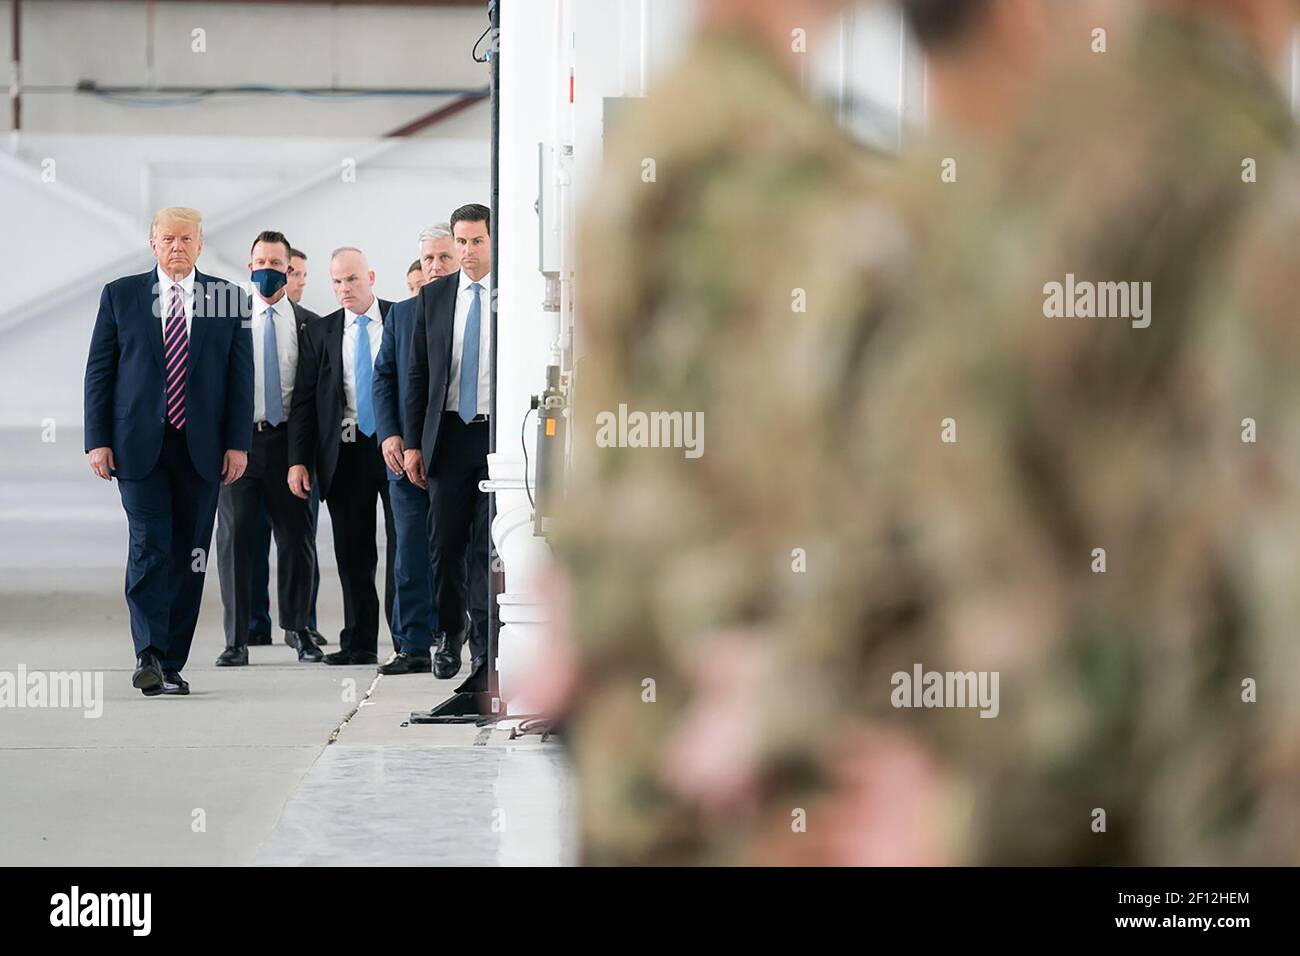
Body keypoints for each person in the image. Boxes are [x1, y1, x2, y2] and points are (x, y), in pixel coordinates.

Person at [542, 0, 889, 864]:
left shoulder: (664, 125)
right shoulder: (763, 151)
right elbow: (765, 459)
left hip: (654, 681)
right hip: (731, 707)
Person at [83, 206, 252, 696]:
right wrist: (97, 440)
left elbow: (241, 380)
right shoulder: (121, 296)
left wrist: (238, 444)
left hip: (202, 450)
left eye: (186, 239)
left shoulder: (227, 298)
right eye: (168, 238)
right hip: (138, 448)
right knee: (150, 544)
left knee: (191, 552)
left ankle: (172, 658)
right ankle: (149, 653)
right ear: (152, 243)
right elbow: (100, 372)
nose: (177, 247)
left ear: (200, 244)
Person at [214, 231, 323, 666]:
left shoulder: (310, 325)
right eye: (260, 261)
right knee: (235, 542)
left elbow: (313, 397)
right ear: (249, 265)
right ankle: (236, 640)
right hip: (241, 447)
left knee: (297, 540)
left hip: (289, 449)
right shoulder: (229, 321)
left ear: (289, 270)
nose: (268, 271)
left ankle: (299, 630)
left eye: (277, 265)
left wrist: (304, 457)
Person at [288, 248, 397, 666]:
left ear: (370, 276)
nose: (344, 289)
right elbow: (303, 403)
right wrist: (298, 460)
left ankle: (408, 640)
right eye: (336, 282)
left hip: (393, 448)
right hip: (344, 452)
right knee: (353, 552)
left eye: (351, 279)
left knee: (404, 548)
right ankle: (360, 643)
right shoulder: (320, 333)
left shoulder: (399, 319)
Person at [403, 204, 494, 679]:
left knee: (485, 545)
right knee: (445, 543)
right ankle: (448, 635)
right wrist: (415, 443)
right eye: (461, 242)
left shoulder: (510, 294)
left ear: (492, 242)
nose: (468, 250)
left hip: (497, 434)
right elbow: (417, 373)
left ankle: (483, 646)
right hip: (448, 436)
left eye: (477, 241)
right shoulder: (435, 298)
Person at [372, 224, 457, 675]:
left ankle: (455, 638)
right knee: (408, 553)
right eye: (429, 260)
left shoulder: (473, 311)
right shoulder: (402, 316)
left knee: (453, 550)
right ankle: (412, 647)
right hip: (404, 455)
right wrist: (391, 435)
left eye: (445, 257)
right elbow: (383, 378)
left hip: (453, 452)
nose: (437, 267)